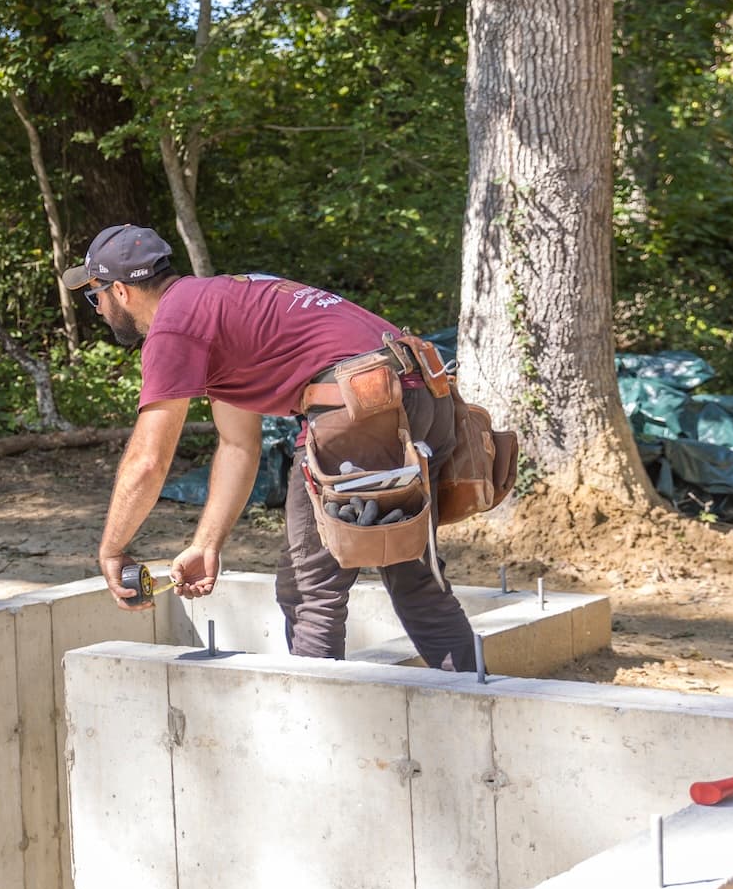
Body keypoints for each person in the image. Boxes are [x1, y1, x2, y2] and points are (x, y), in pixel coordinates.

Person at [70, 224, 478, 672]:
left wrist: (112, 550)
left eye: (97, 297)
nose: (99, 310)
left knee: (308, 592)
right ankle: (473, 708)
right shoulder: (219, 303)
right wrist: (207, 544)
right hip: (423, 398)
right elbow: (238, 446)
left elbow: (148, 461)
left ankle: (316, 729)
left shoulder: (174, 326)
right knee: (414, 576)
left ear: (122, 291)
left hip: (360, 413)